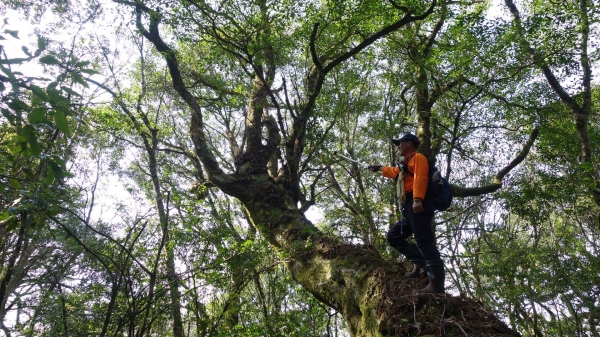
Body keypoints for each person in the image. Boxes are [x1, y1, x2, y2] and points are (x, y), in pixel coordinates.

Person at [368, 133, 445, 293]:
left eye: (400, 143)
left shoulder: (419, 158)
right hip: (409, 207)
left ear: (409, 143)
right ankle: (419, 262)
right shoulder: (406, 164)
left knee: (424, 241)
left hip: (418, 204)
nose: (398, 146)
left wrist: (417, 199)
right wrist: (380, 168)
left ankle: (436, 285)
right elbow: (395, 172)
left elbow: (421, 178)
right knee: (393, 236)